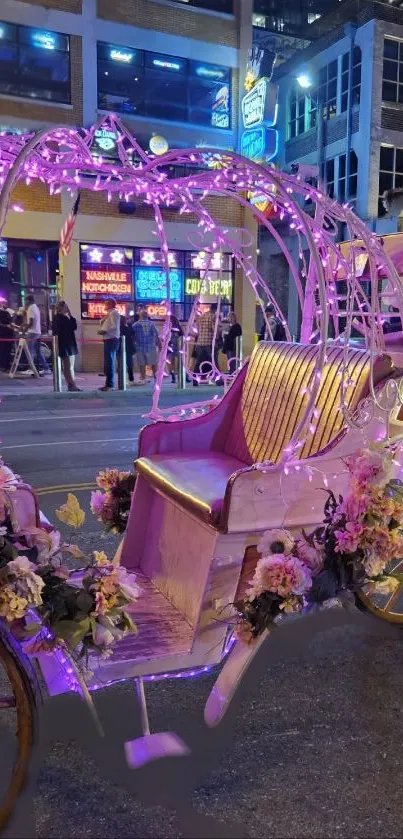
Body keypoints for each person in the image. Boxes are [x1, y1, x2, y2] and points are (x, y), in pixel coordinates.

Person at [52, 301, 81, 392]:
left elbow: (74, 326)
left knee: (71, 365)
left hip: (70, 343)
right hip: (64, 343)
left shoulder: (66, 317)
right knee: (67, 366)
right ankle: (71, 384)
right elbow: (60, 330)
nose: (67, 308)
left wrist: (70, 315)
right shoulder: (58, 318)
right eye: (65, 307)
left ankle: (73, 384)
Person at [132, 309, 161, 385]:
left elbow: (132, 335)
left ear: (140, 316)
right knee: (154, 363)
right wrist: (159, 345)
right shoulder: (152, 324)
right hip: (151, 347)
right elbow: (156, 335)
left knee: (142, 364)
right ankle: (156, 378)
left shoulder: (136, 325)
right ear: (147, 316)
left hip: (140, 347)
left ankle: (143, 377)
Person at [23, 294, 50, 375]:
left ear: (29, 300)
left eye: (26, 301)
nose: (25, 302)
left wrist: (24, 330)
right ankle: (46, 368)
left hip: (32, 332)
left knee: (30, 351)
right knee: (38, 351)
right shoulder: (36, 307)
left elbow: (31, 322)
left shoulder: (31, 308)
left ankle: (31, 368)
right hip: (37, 332)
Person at [98, 298, 121, 392]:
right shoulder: (109, 314)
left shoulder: (114, 313)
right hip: (108, 339)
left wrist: (104, 330)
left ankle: (110, 384)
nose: (104, 306)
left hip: (111, 339)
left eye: (106, 304)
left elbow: (114, 326)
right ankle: (108, 383)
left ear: (111, 304)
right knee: (108, 362)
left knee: (109, 362)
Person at [193, 304, 214, 387]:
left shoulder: (202, 316)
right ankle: (218, 379)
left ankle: (195, 379)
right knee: (213, 361)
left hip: (200, 342)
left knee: (198, 362)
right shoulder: (212, 316)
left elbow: (196, 325)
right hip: (208, 342)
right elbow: (213, 328)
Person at [118, 314, 135, 384]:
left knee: (122, 363)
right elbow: (132, 333)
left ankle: (123, 379)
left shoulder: (119, 327)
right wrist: (130, 325)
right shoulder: (124, 327)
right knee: (129, 363)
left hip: (121, 347)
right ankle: (130, 378)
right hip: (127, 347)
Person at [167, 314, 183, 384]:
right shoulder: (178, 327)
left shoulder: (168, 327)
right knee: (179, 362)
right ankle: (182, 376)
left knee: (172, 362)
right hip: (176, 345)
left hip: (171, 345)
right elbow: (182, 335)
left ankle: (174, 376)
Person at [0, 302, 13, 371]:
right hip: (2, 334)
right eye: (3, 303)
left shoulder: (9, 312)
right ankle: (3, 365)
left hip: (9, 334)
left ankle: (7, 365)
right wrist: (6, 326)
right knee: (2, 350)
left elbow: (10, 321)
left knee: (8, 350)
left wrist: (12, 325)